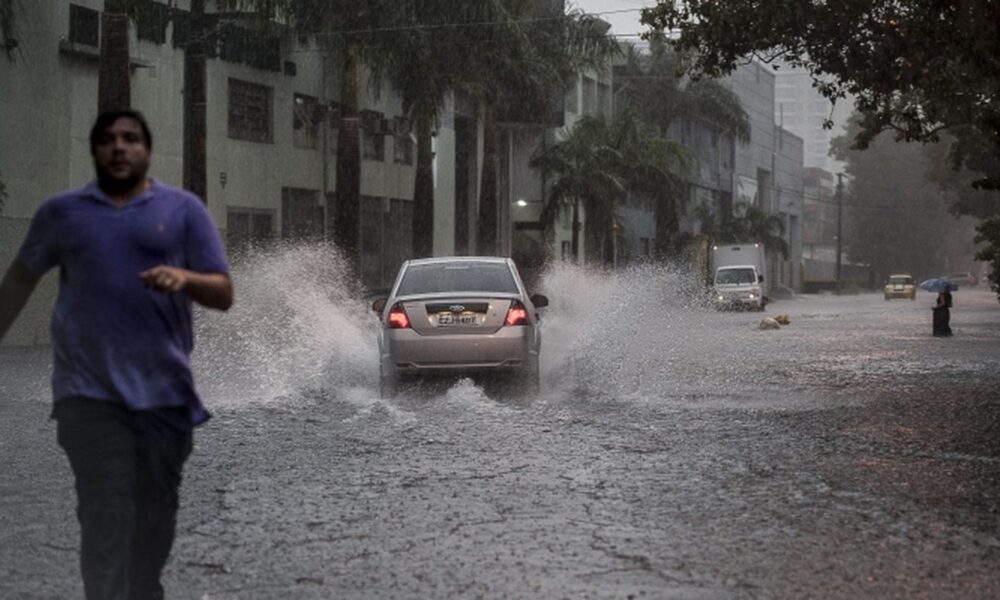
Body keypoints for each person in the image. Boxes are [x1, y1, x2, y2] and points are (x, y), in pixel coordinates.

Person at [0, 110, 233, 600]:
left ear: (147, 150)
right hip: (88, 396)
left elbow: (223, 293)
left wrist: (185, 278)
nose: (119, 147)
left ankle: (144, 589)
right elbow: (20, 279)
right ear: (94, 150)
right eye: (108, 139)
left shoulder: (183, 210)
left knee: (155, 519)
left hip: (166, 398)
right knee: (104, 515)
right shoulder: (62, 213)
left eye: (130, 138)